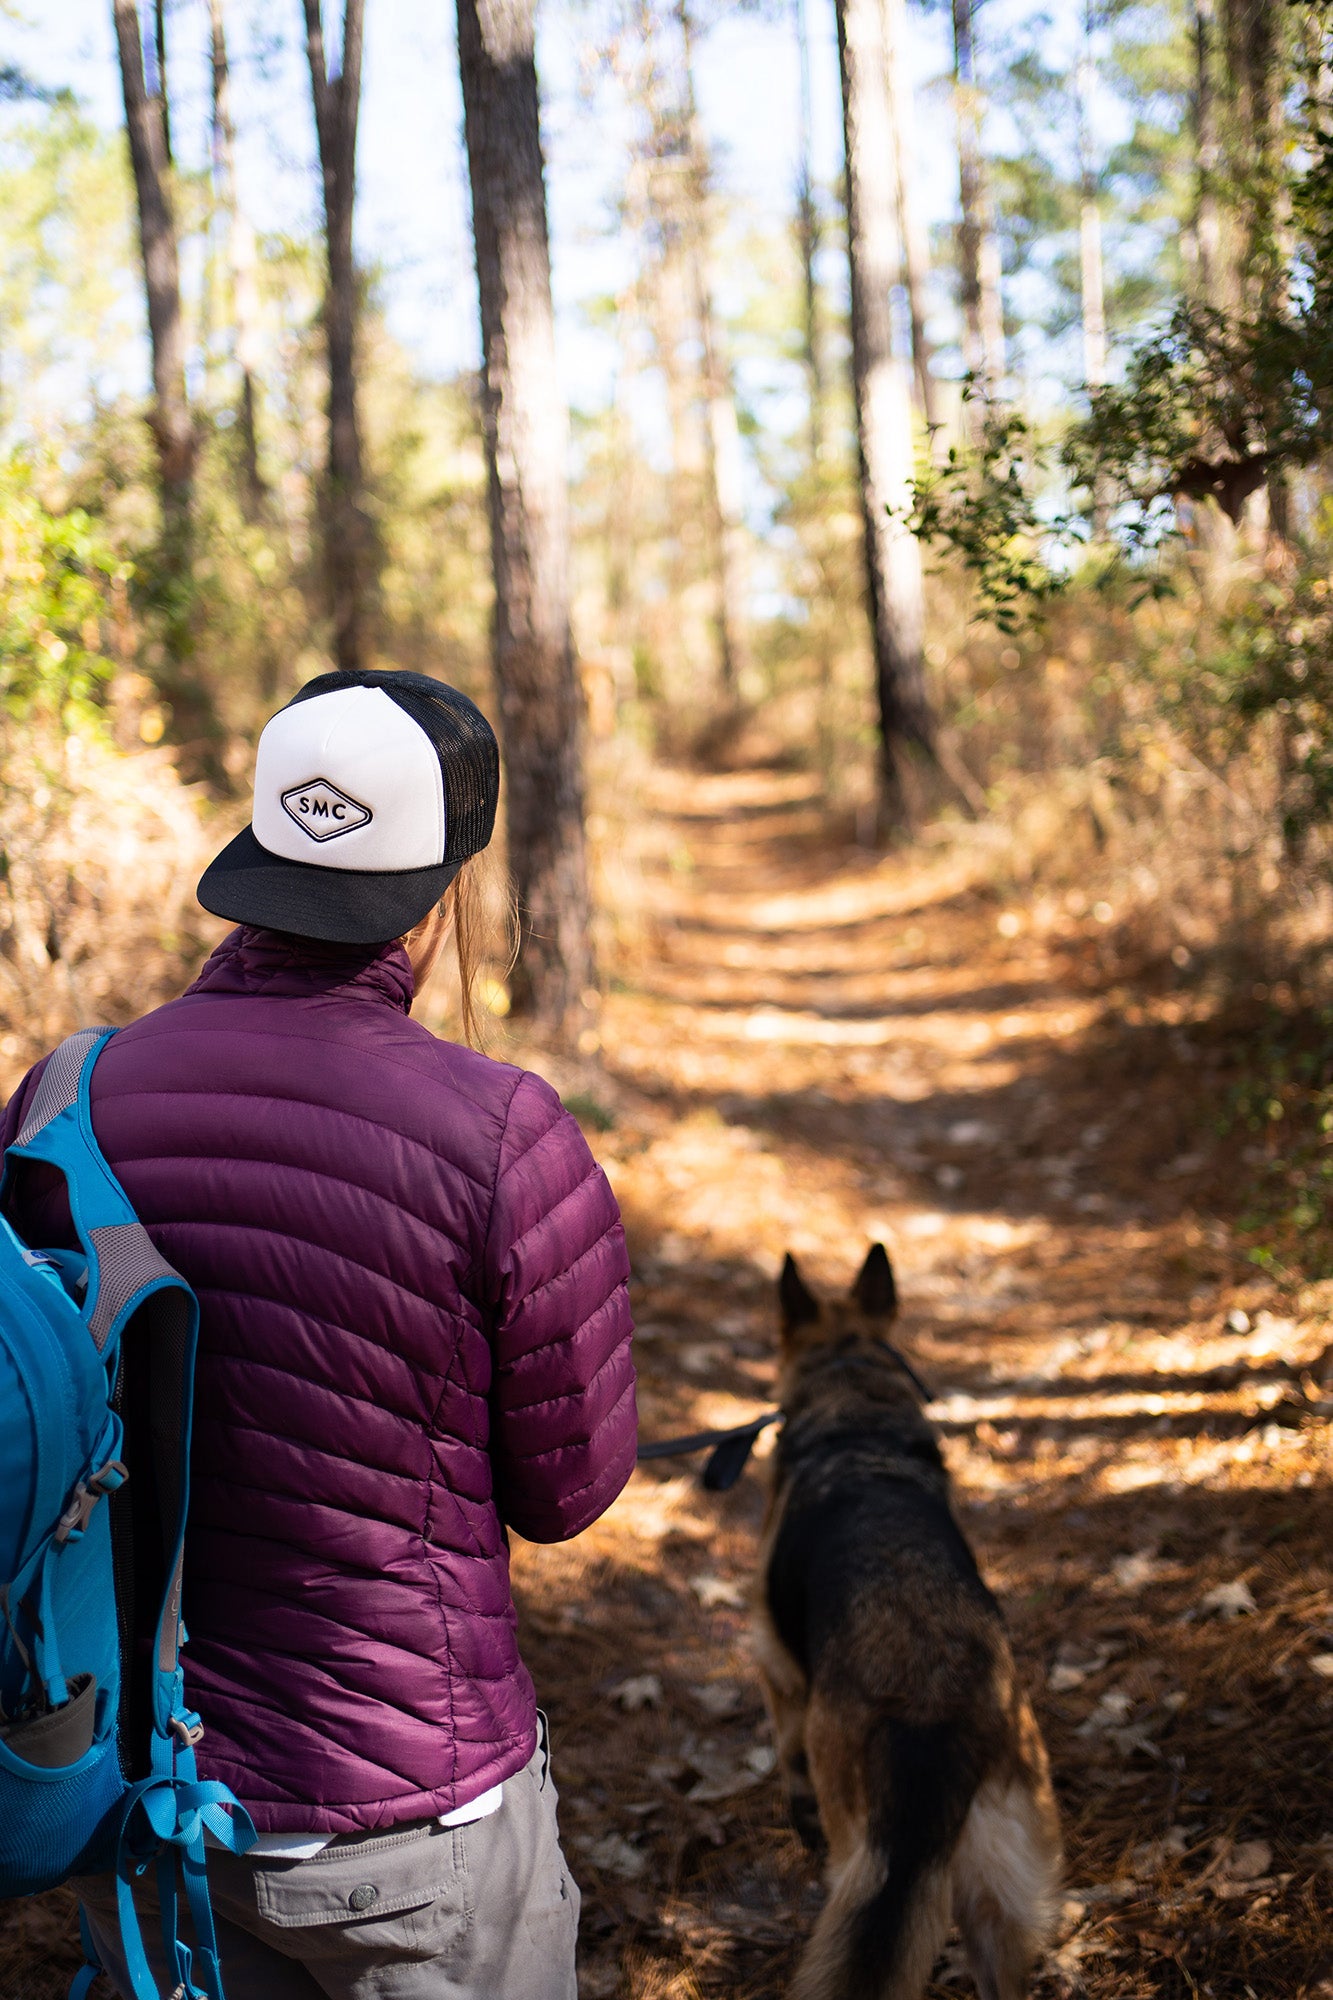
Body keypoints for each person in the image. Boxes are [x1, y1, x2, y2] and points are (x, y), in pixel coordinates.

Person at [0, 668, 637, 2000]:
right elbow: (568, 1491)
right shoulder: (502, 1132)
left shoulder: (63, 1098)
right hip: (414, 1825)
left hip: (136, 1804)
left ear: (259, 853)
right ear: (444, 884)